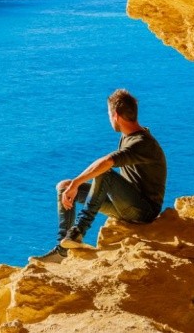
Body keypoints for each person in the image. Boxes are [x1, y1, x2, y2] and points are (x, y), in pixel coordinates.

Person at [31, 89, 167, 263]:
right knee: (63, 187)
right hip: (125, 205)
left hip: (143, 211)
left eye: (109, 114)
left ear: (116, 115)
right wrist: (72, 185)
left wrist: (77, 183)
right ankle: (62, 250)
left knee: (105, 173)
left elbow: (107, 162)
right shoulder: (129, 137)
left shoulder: (142, 143)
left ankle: (78, 232)